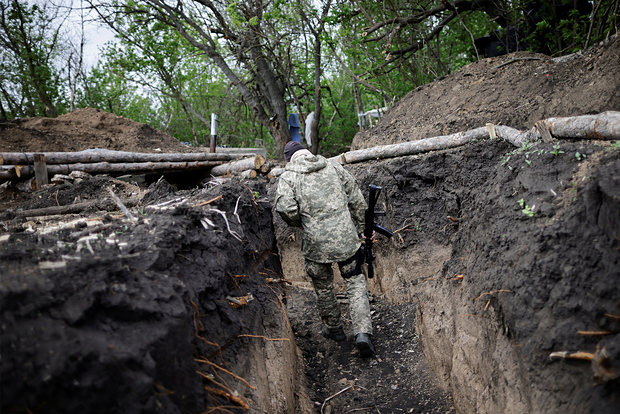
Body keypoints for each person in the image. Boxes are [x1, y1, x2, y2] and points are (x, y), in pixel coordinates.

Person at [274, 141, 376, 357]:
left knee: (323, 286)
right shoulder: (333, 167)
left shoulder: (289, 177)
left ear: (289, 159)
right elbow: (357, 199)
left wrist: (299, 222)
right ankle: (363, 333)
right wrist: (364, 229)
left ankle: (334, 329)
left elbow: (285, 208)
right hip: (346, 240)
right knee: (355, 283)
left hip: (315, 244)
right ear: (307, 152)